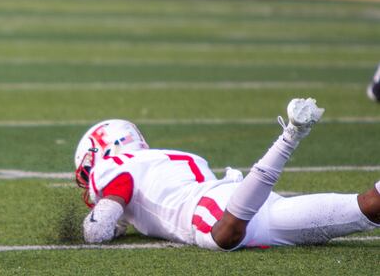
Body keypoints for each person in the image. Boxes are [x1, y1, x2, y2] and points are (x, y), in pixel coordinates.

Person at [74, 98, 379, 250]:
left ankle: (291, 135)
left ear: (103, 148)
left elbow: (97, 230)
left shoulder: (117, 167)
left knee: (225, 235)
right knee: (369, 207)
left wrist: (97, 224)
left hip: (214, 212)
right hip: (247, 203)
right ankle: (291, 135)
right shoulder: (163, 158)